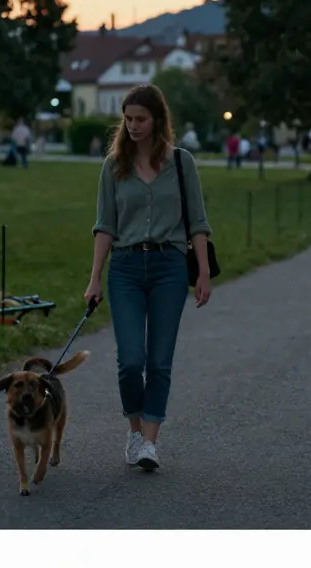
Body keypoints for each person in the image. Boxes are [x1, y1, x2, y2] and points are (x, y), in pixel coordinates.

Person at [85, 83, 213, 473]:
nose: (133, 125)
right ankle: (135, 430)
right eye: (128, 119)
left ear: (158, 120)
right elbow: (104, 225)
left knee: (159, 360)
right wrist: (94, 279)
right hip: (124, 268)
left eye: (141, 119)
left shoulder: (181, 162)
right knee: (130, 360)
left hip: (169, 268)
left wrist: (203, 272)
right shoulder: (114, 165)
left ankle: (150, 444)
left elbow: (198, 222)